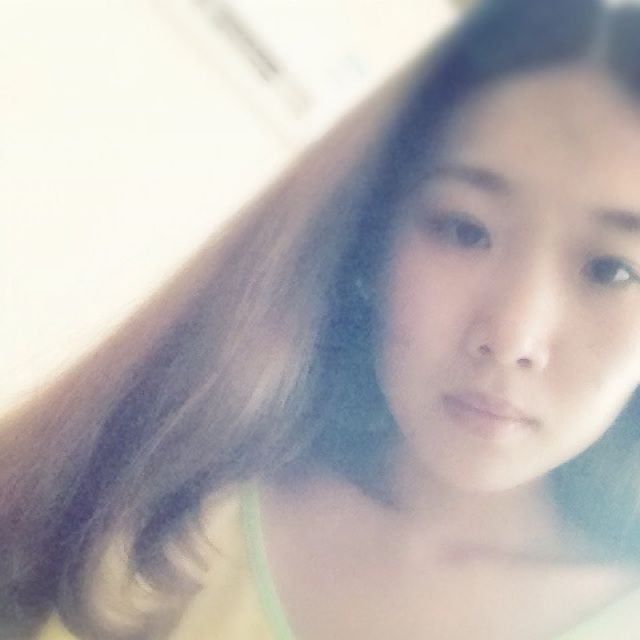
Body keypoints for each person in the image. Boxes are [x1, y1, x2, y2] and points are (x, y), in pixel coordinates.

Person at [3, 0, 640, 637]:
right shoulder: (165, 510)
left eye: (612, 270)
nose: (512, 337)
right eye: (463, 229)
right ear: (373, 230)